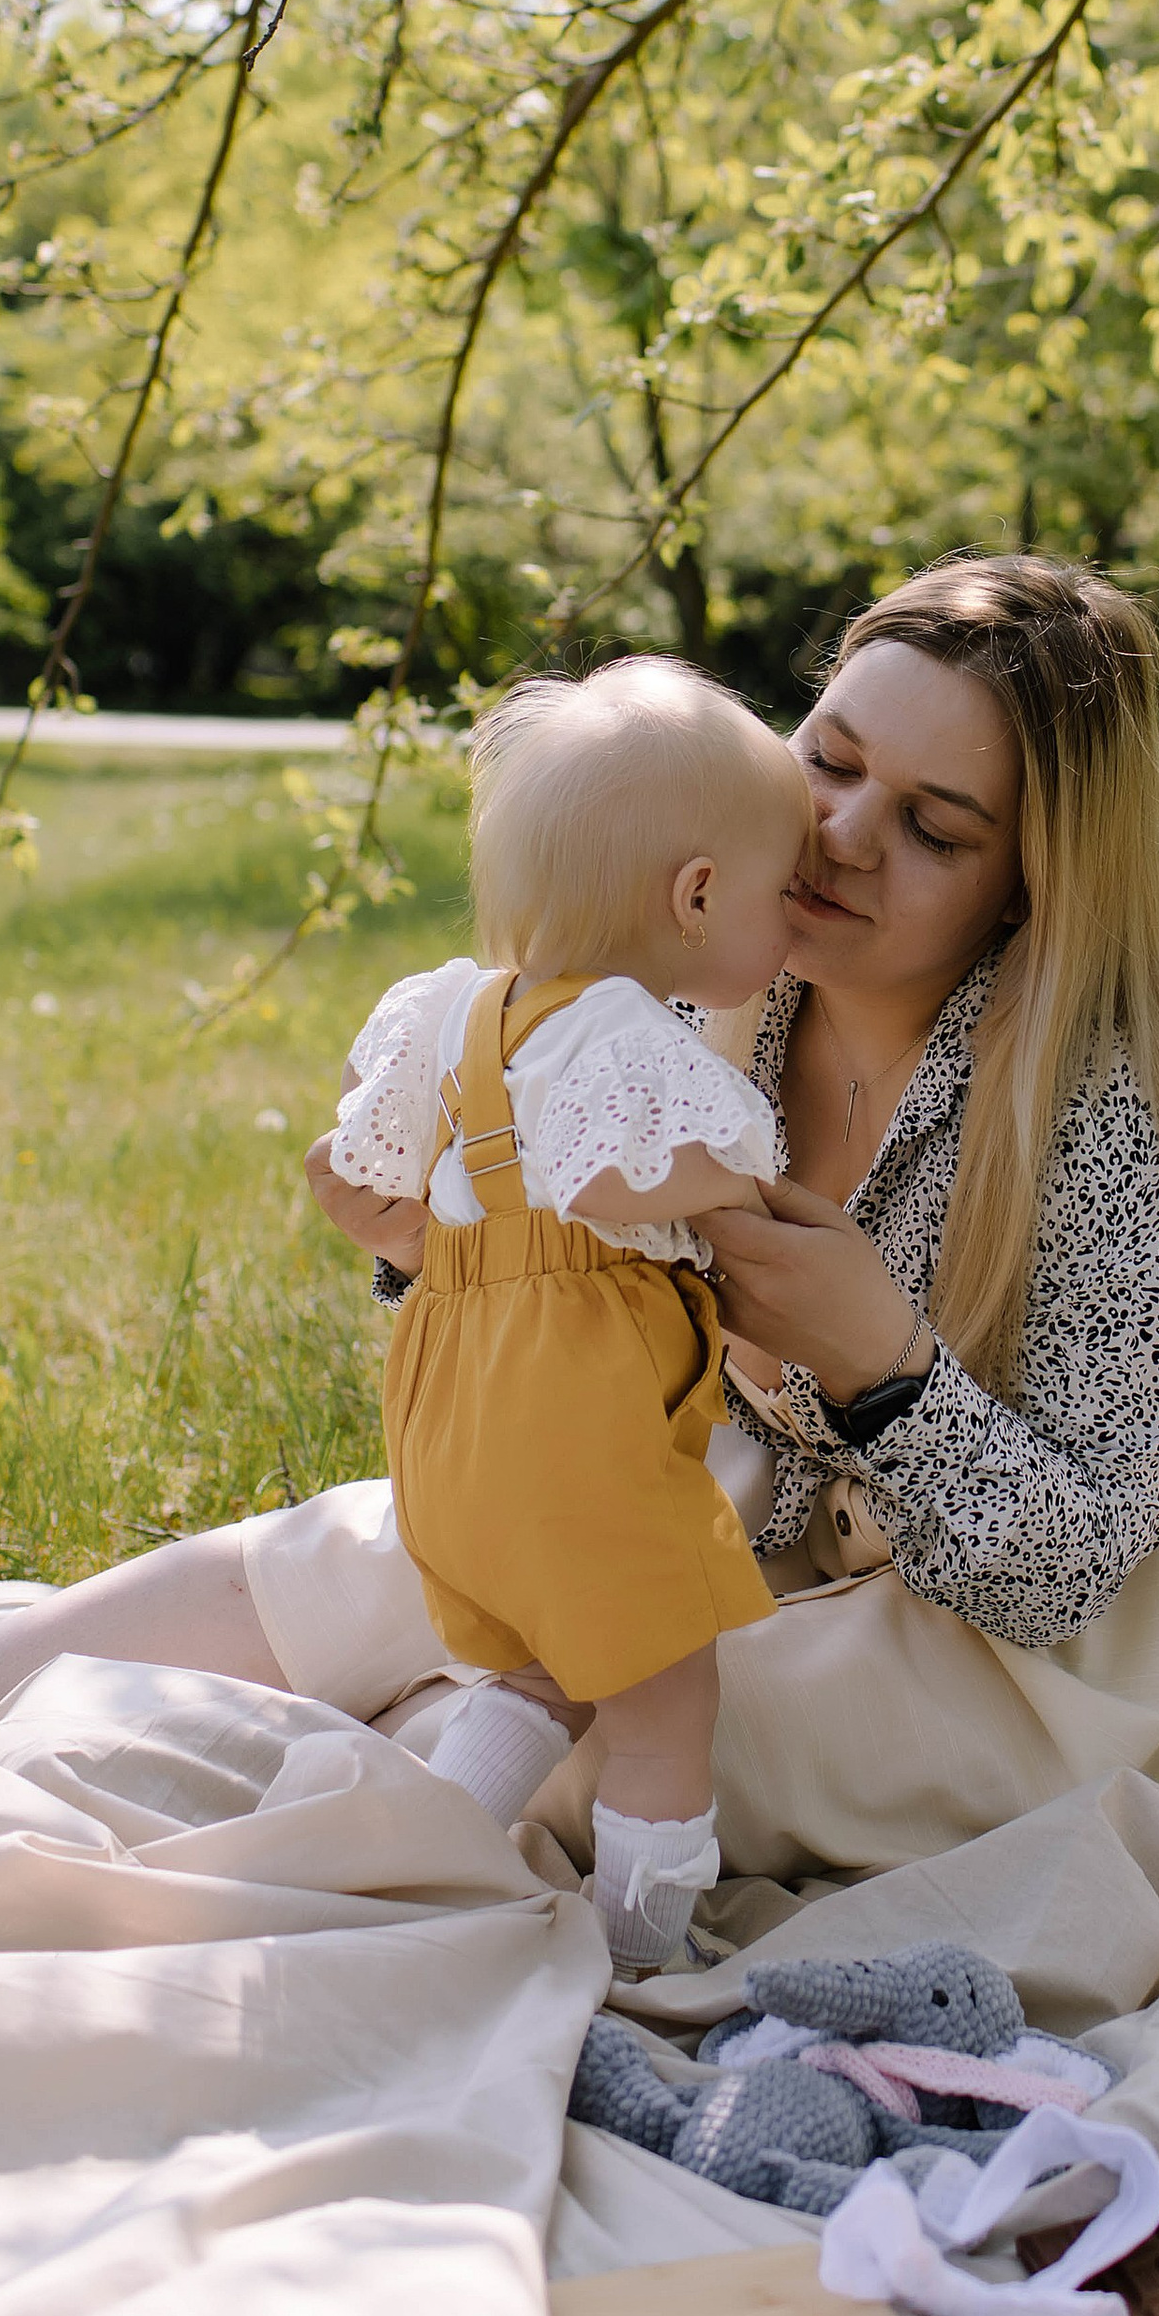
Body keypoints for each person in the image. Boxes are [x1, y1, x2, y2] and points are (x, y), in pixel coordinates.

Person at [0, 558, 1159, 1883]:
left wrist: (885, 1366)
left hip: (1084, 1647)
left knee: (611, 1737)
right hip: (814, 1495)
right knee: (390, 1562)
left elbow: (1070, 1574)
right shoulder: (726, 983)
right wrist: (439, 1254)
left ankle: (248, 1818)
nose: (844, 833)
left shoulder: (1123, 1108)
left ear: (1035, 884)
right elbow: (591, 1323)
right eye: (832, 758)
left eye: (936, 827)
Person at [328, 657, 807, 1967]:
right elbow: (615, 1175)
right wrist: (751, 1172)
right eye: (786, 892)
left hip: (451, 1415)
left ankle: (406, 1847)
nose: (797, 917)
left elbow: (360, 1177)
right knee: (664, 1704)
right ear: (699, 896)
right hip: (572, 1414)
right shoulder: (632, 1040)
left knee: (545, 1671)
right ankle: (643, 1953)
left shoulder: (455, 1012)